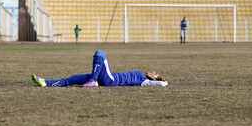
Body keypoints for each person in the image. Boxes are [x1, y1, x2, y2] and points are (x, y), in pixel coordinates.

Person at [32, 50, 168, 87]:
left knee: (100, 53)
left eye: (155, 74)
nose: (153, 72)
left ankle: (93, 81)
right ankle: (46, 82)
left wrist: (161, 81)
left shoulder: (144, 81)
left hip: (111, 80)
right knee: (72, 79)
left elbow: (162, 84)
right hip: (106, 78)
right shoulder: (142, 76)